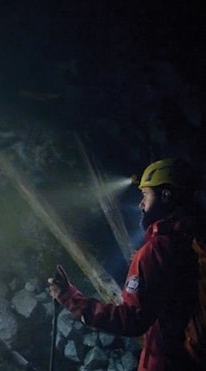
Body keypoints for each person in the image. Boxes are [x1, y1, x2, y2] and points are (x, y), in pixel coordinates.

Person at [48, 158, 205, 370]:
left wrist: (70, 298)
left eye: (145, 195)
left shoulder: (159, 250)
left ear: (166, 196)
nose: (140, 204)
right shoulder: (195, 238)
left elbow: (131, 320)